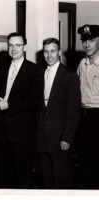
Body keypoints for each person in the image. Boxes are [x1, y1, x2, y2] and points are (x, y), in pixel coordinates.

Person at [0, 32, 43, 189]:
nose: (14, 49)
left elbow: (35, 99)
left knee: (22, 176)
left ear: (24, 46)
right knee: (3, 173)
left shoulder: (35, 70)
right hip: (0, 130)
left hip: (23, 132)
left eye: (18, 45)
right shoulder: (2, 68)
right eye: (11, 45)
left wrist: (10, 105)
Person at [37, 38, 81, 189]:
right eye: (46, 51)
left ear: (59, 53)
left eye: (53, 51)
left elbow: (74, 110)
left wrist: (67, 138)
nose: (49, 55)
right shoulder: (40, 73)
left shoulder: (69, 75)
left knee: (62, 180)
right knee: (47, 180)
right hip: (43, 137)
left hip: (60, 138)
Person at [76, 24, 99, 189]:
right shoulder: (82, 63)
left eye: (91, 40)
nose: (87, 44)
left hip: (98, 117)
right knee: (84, 160)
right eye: (84, 40)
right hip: (82, 116)